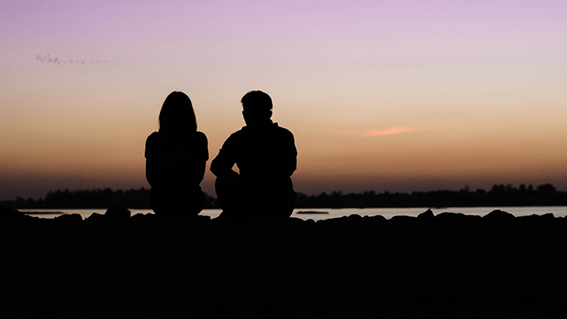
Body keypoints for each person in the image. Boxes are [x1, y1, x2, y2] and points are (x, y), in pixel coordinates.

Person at [211, 90, 297, 221]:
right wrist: (240, 180)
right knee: (222, 181)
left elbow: (288, 169)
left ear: (268, 113)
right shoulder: (239, 138)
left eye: (253, 111)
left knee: (223, 181)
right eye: (246, 111)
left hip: (276, 200)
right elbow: (217, 166)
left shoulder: (282, 136)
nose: (247, 115)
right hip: (251, 197)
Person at [145, 91, 208, 219]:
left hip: (162, 200)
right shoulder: (198, 140)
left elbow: (151, 176)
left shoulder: (155, 140)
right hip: (190, 199)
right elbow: (198, 175)